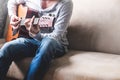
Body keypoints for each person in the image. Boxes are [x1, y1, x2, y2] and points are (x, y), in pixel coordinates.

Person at [0, 0, 73, 80]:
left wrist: (36, 34)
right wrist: (12, 16)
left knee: (48, 42)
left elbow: (56, 35)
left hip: (56, 44)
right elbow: (12, 2)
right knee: (7, 47)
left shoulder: (66, 3)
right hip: (32, 41)